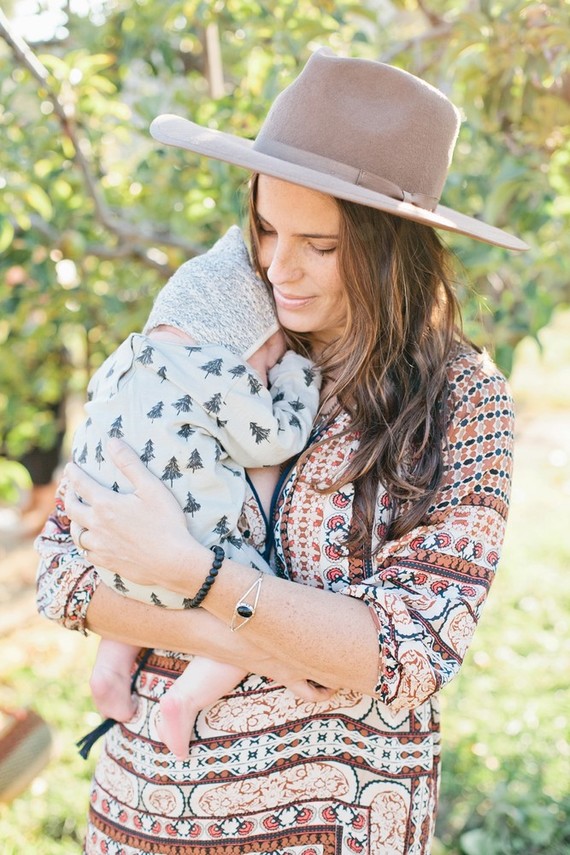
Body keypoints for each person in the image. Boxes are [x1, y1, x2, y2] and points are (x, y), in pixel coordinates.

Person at [36, 49, 527, 855]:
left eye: (320, 245)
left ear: (391, 248)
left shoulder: (460, 402)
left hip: (323, 826)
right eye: (265, 228)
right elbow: (63, 573)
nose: (276, 266)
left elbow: (406, 652)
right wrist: (252, 635)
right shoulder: (217, 331)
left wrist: (193, 574)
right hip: (140, 816)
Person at [69, 225, 320, 760]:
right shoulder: (215, 369)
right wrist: (298, 376)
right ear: (243, 339)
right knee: (257, 601)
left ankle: (112, 668)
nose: (270, 369)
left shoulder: (121, 362)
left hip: (108, 557)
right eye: (271, 355)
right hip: (191, 561)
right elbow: (275, 440)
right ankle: (184, 700)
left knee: (142, 577)